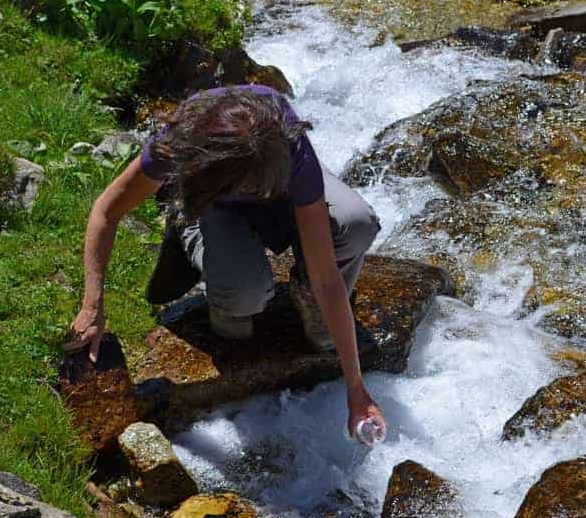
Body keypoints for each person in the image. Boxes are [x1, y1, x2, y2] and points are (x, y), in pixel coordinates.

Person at [67, 84, 387, 442]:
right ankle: (186, 225)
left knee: (356, 223)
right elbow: (106, 211)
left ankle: (303, 295)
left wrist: (355, 388)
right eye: (250, 186)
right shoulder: (179, 143)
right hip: (214, 203)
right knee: (243, 299)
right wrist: (92, 306)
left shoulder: (286, 142)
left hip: (279, 185)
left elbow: (328, 277)